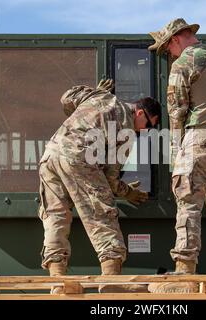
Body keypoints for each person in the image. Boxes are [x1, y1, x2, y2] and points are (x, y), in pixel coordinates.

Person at [147, 18, 206, 293]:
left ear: (176, 39)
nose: (169, 54)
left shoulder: (182, 65)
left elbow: (176, 111)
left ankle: (185, 269)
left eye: (167, 49)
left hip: (199, 139)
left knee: (189, 203)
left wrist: (176, 152)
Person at [38, 79, 160, 292]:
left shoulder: (100, 96)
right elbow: (111, 180)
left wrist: (93, 94)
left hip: (50, 156)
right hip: (79, 159)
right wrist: (129, 193)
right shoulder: (127, 130)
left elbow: (66, 98)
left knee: (55, 216)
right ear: (140, 113)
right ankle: (110, 283)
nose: (146, 131)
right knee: (102, 216)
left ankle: (58, 282)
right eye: (149, 125)